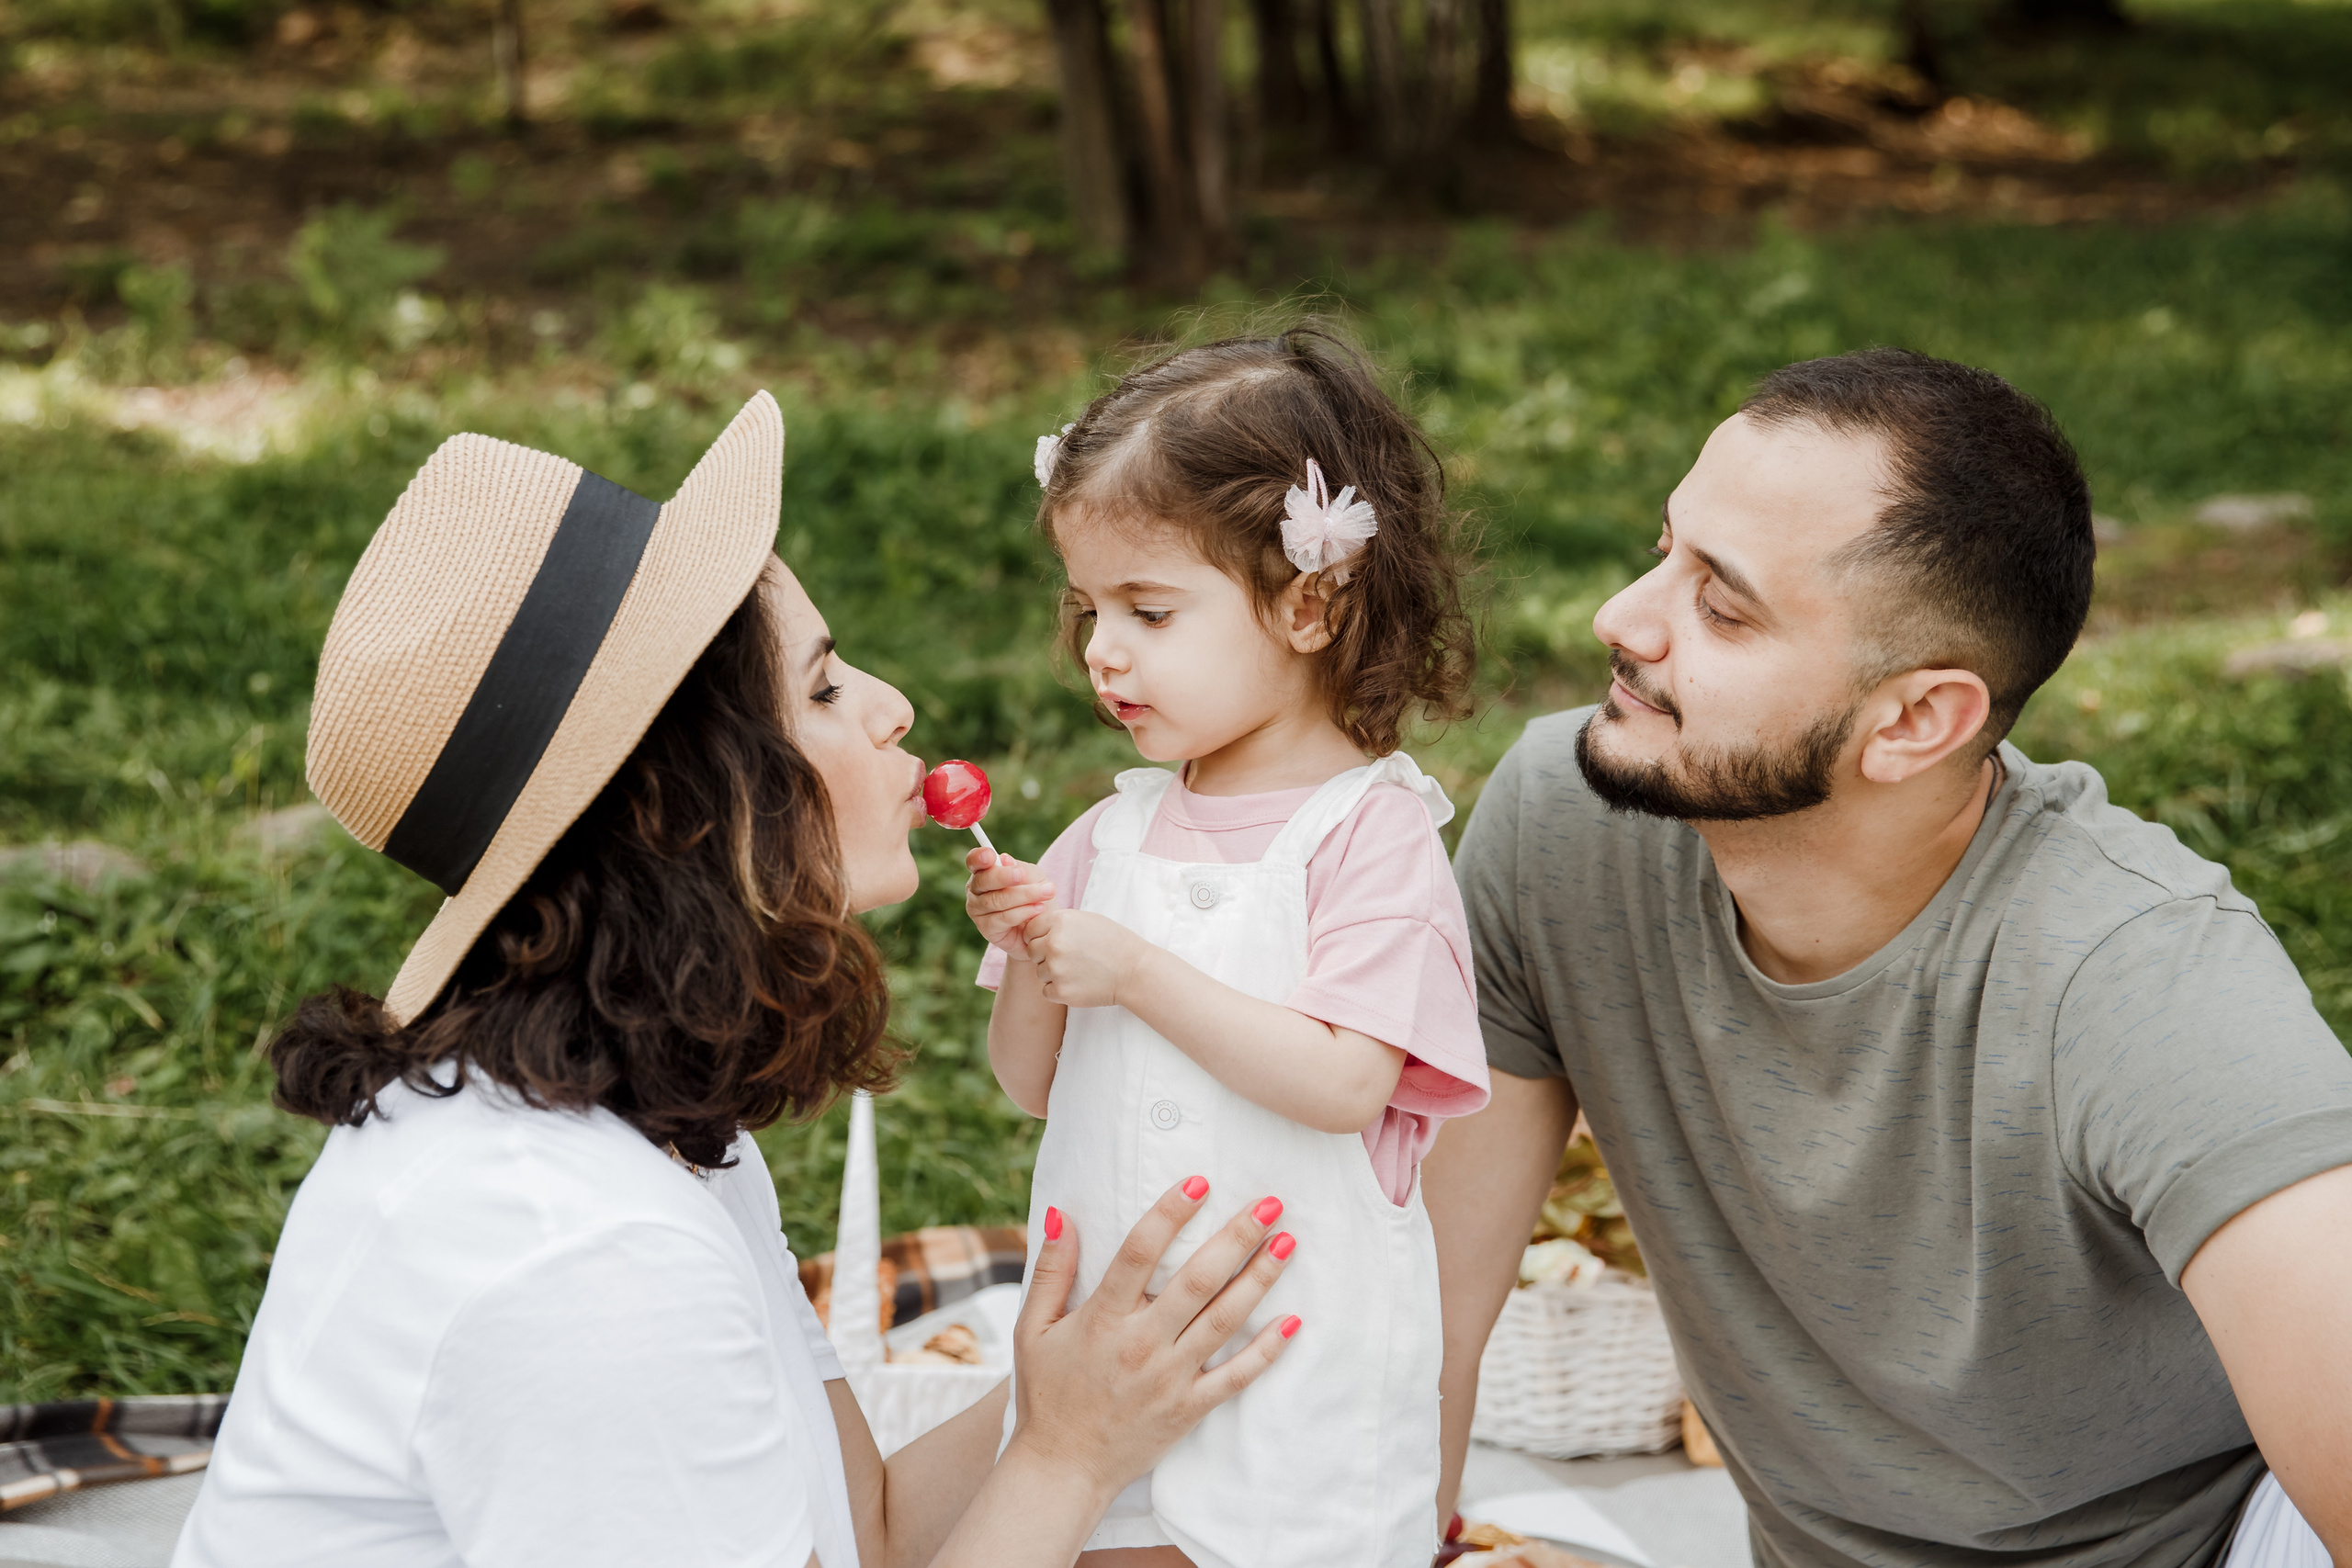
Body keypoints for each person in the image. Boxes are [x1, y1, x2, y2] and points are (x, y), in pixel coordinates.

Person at [171, 392, 1304, 1568]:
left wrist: (1069, 1385)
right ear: (680, 807)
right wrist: (1066, 1460)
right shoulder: (589, 1262)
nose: (890, 709)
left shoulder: (650, 1130)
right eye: (820, 691)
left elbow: (860, 1531)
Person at [1425, 349, 2352, 1568]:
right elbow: (1416, 1326)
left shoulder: (2133, 974)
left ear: (1917, 720)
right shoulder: (1570, 823)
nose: (1623, 618)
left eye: (1723, 603)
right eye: (1664, 548)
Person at [962, 328, 1491, 1568]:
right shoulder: (1112, 831)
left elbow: (1344, 1080)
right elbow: (1030, 1081)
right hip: (1109, 1353)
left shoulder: (1371, 834)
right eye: (1090, 608)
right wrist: (1038, 956)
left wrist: (1138, 971)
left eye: (1150, 609)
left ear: (1311, 600)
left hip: (1294, 1366)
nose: (1103, 647)